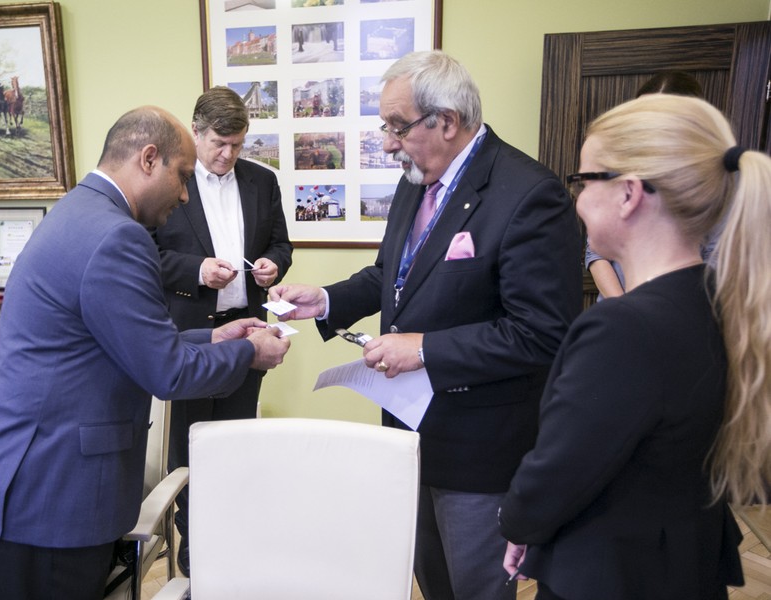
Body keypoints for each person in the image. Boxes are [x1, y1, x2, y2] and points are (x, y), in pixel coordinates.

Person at [268, 50, 582, 600]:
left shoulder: (529, 195)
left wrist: (427, 349)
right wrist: (322, 299)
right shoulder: (418, 178)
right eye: (384, 126)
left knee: (478, 589)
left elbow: (542, 332)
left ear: (449, 121)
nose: (387, 142)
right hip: (409, 435)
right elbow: (393, 274)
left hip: (479, 451)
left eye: (397, 126)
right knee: (433, 583)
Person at [0, 106, 290, 600]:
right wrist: (249, 353)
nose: (185, 193)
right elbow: (166, 372)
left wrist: (215, 339)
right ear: (149, 159)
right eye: (183, 176)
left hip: (19, 480)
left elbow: (126, 343)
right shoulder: (117, 237)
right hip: (44, 496)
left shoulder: (80, 209)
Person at [499, 94, 771, 599]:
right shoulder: (723, 301)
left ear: (627, 194)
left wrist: (517, 522)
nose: (576, 198)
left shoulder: (622, 330)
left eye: (582, 180)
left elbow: (559, 468)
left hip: (611, 574)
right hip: (682, 565)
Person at [152, 86, 292, 576]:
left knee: (236, 443)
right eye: (218, 143)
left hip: (248, 330)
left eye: (238, 144)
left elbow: (280, 242)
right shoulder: (171, 180)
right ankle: (194, 551)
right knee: (191, 448)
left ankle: (236, 539)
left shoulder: (261, 181)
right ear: (196, 131)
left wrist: (274, 264)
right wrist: (196, 270)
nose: (228, 155)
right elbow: (147, 254)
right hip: (189, 335)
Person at [586, 71, 705, 300]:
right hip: (617, 315)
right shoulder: (617, 166)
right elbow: (595, 251)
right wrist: (623, 307)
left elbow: (718, 267)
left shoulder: (713, 183)